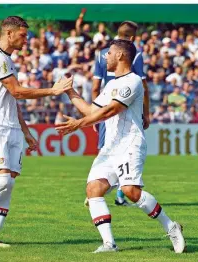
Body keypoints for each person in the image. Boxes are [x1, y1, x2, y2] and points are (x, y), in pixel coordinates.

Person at [56, 39, 185, 253]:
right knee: (93, 189)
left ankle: (171, 227)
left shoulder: (132, 81)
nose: (105, 57)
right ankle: (109, 244)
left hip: (129, 144)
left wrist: (78, 125)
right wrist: (70, 92)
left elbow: (110, 111)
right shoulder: (111, 84)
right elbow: (92, 112)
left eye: (109, 53)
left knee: (130, 191)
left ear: (120, 56)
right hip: (111, 147)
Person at [0, 16, 73, 248]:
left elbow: (12, 99)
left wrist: (26, 130)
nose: (26, 39)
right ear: (9, 34)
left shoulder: (8, 61)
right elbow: (18, 92)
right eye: (22, 34)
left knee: (9, 183)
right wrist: (53, 91)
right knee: (1, 180)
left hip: (12, 127)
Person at [92, 21, 150, 206]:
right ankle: (115, 192)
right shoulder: (136, 54)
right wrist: (146, 113)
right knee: (121, 149)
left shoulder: (101, 54)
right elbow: (143, 86)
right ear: (132, 38)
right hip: (124, 108)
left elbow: (95, 87)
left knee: (107, 147)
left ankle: (100, 189)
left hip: (104, 106)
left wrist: (96, 113)